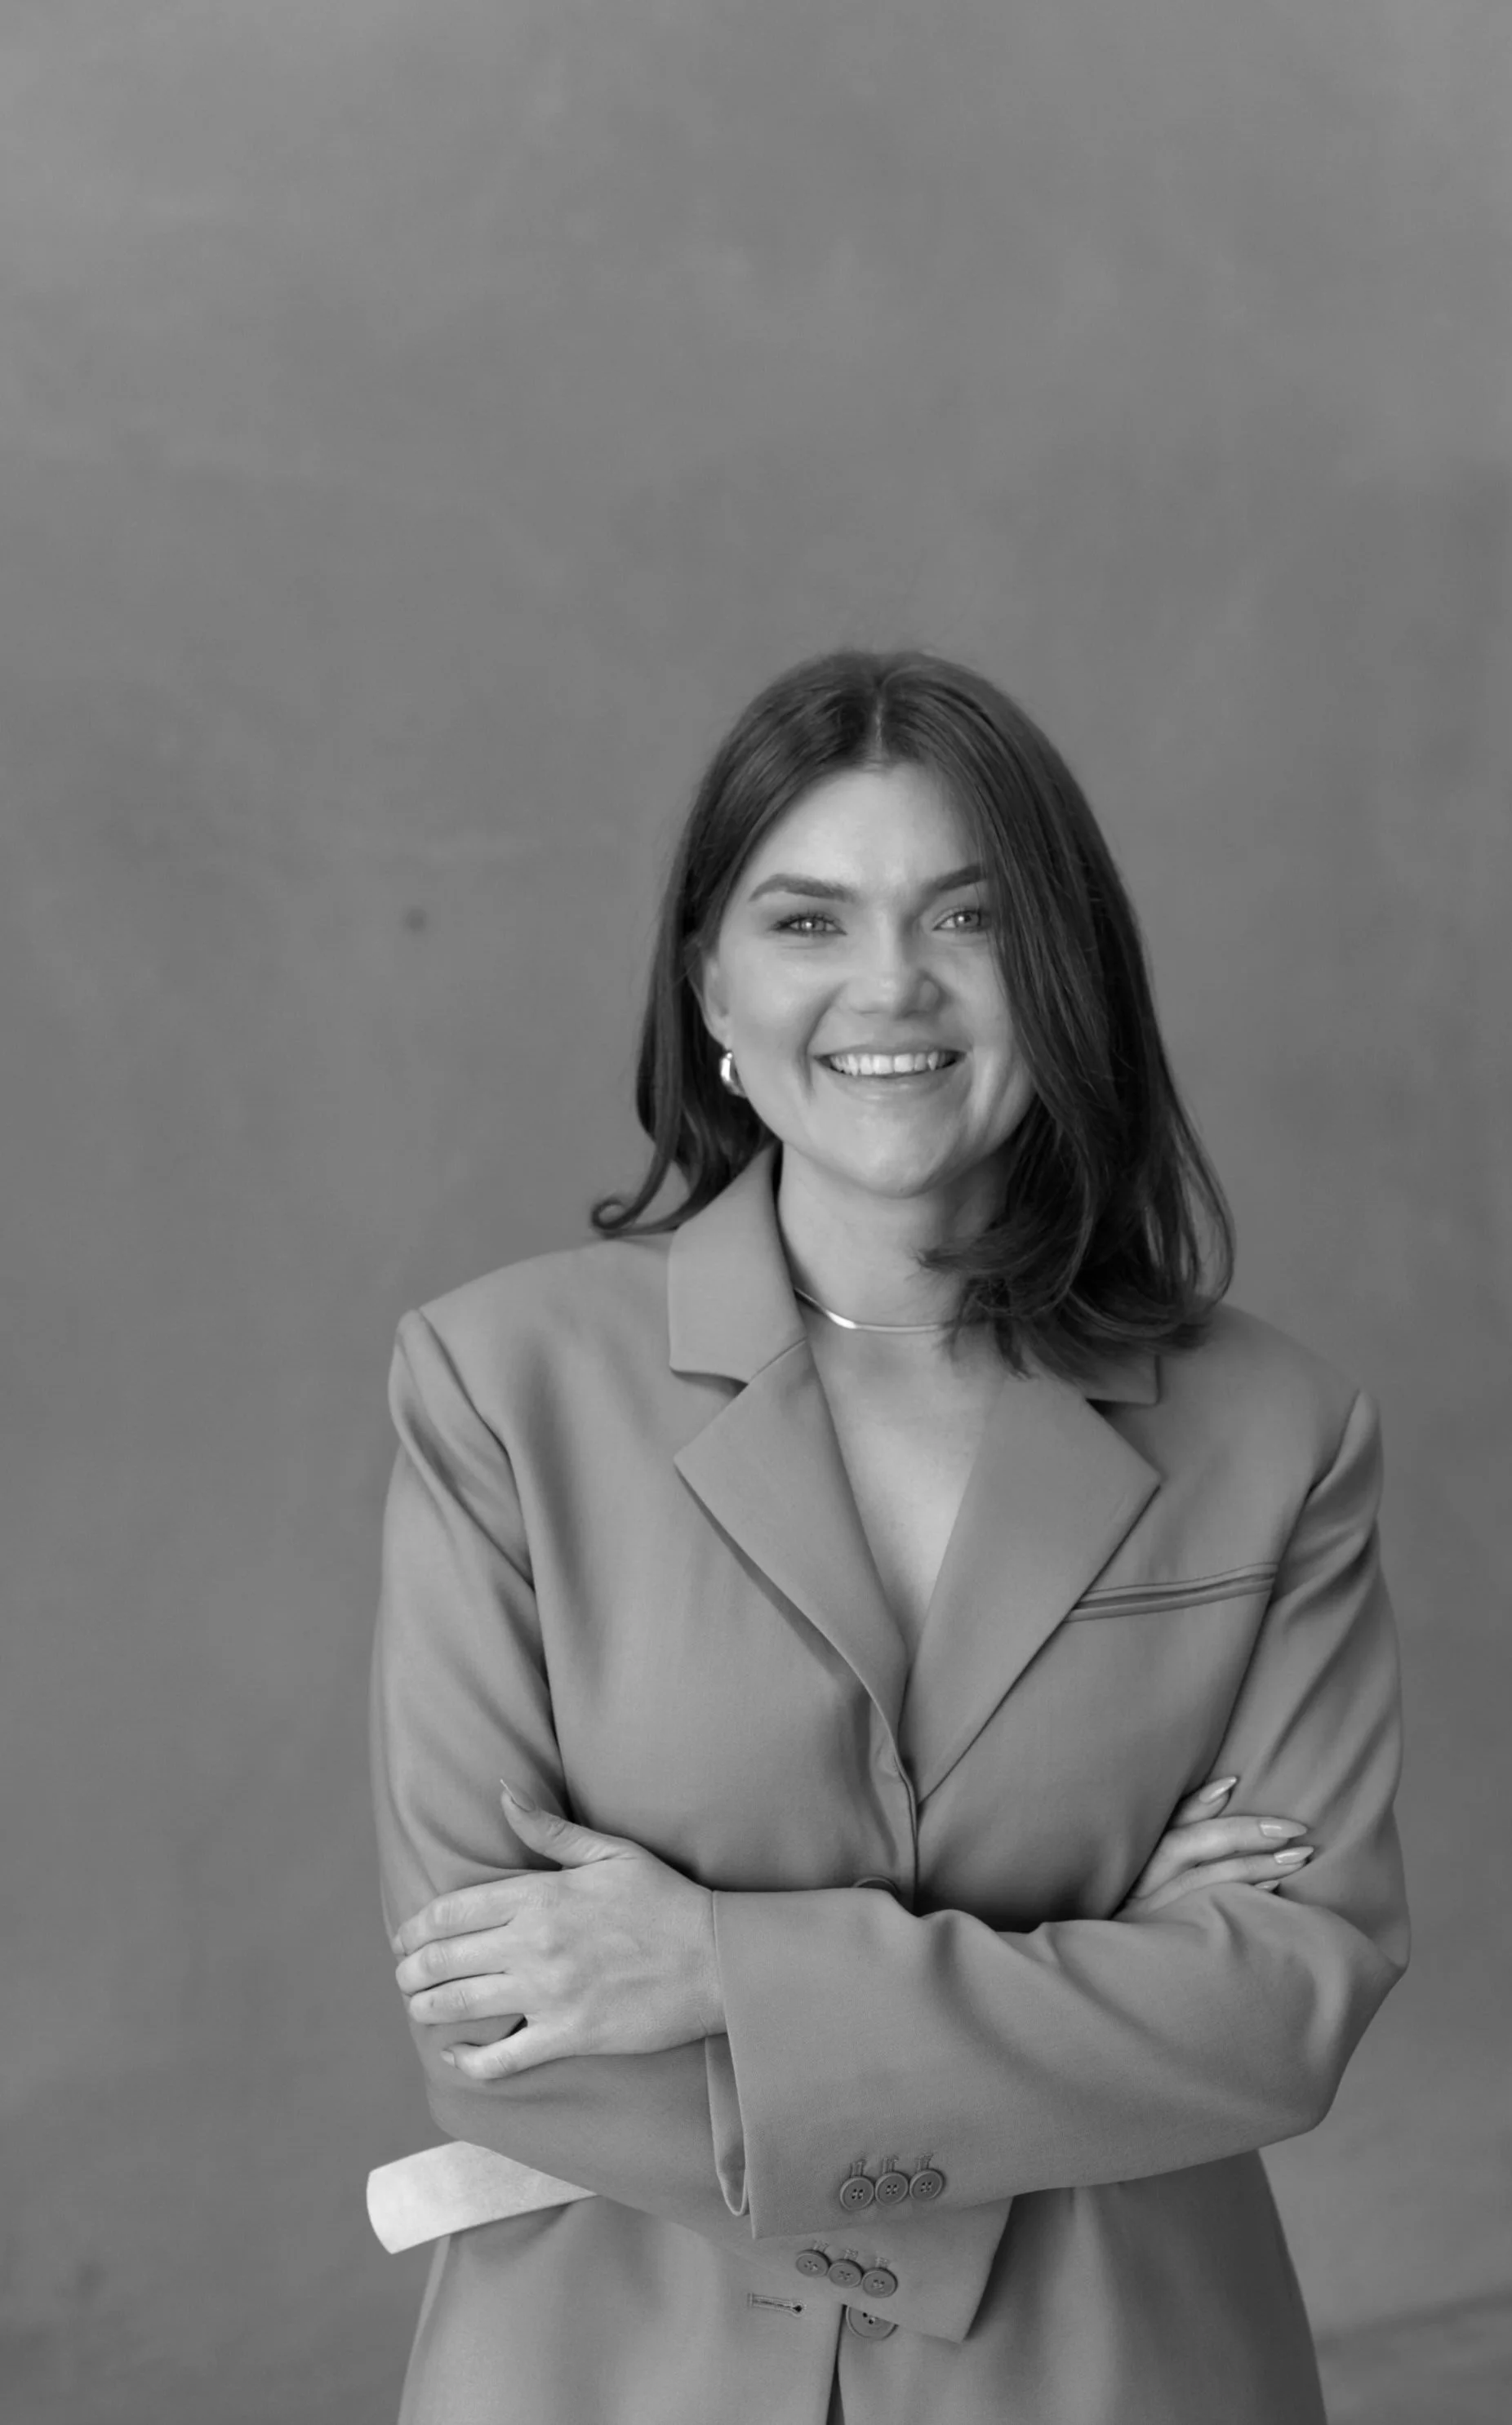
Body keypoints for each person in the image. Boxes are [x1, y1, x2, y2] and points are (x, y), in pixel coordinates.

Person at [370, 647, 1410, 2424]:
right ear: (709, 975)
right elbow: (502, 2037)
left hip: (1127, 2373)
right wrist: (1095, 2000)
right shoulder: (498, 1387)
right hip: (604, 2376)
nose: (888, 987)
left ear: (1062, 969)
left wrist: (712, 1969)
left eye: (966, 918)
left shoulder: (1277, 1432)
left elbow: (1282, 2008)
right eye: (805, 920)